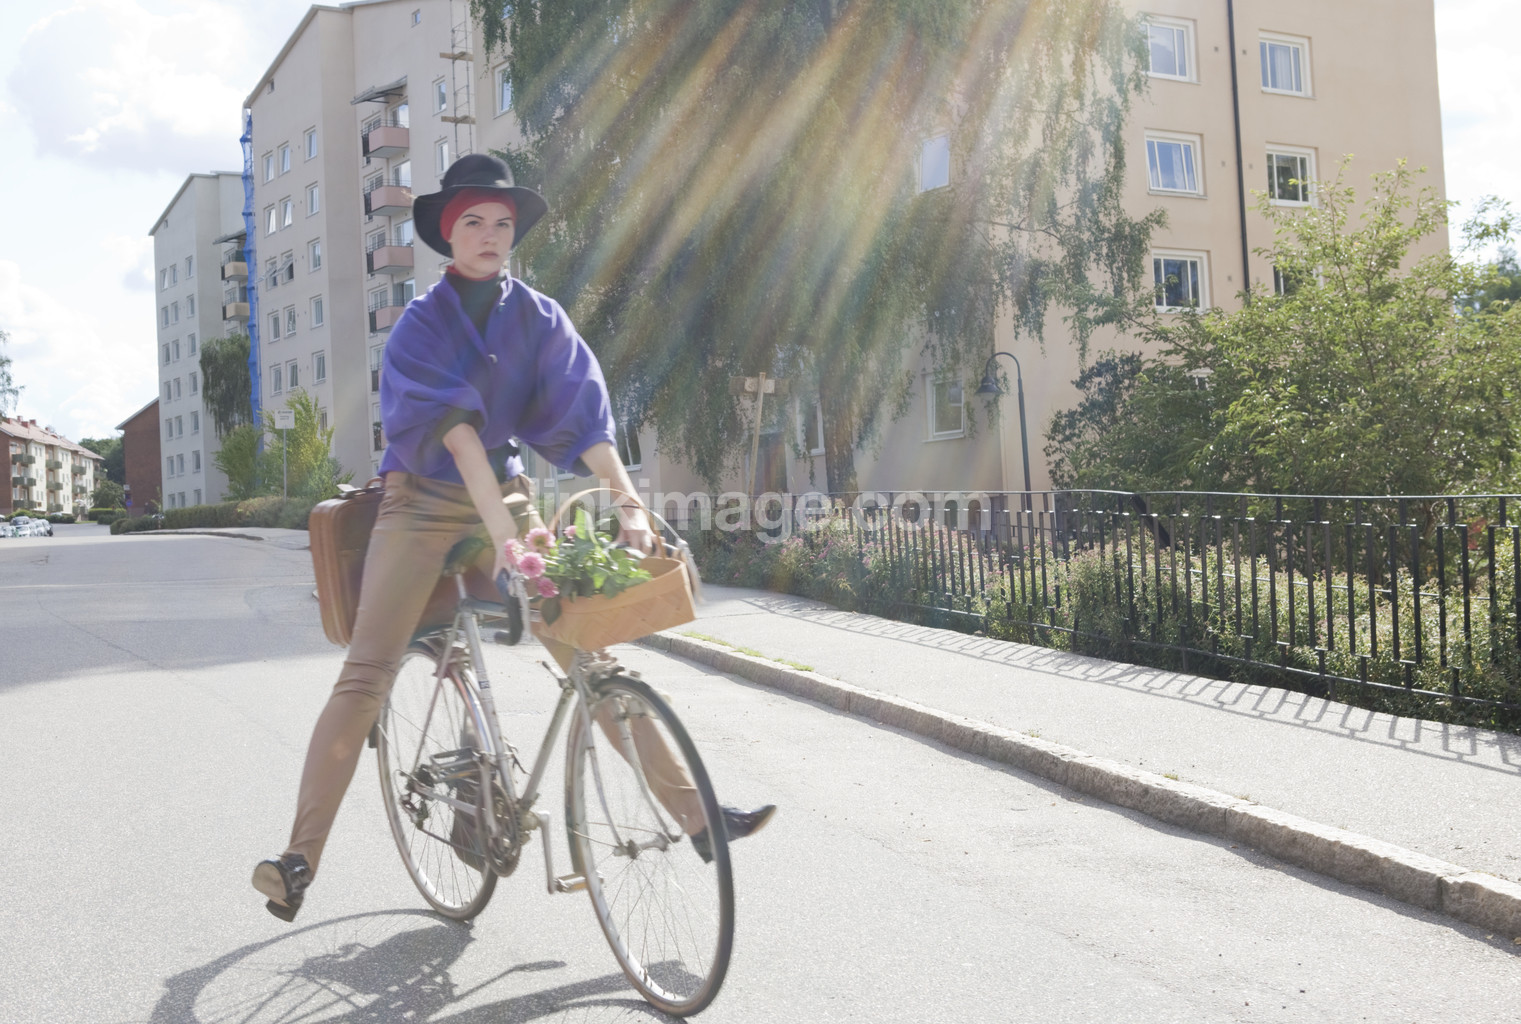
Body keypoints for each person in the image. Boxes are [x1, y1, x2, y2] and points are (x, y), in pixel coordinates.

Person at [253, 153, 773, 921]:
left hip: (505, 495)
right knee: (366, 674)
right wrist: (508, 542)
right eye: (473, 221)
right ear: (447, 232)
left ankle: (698, 817)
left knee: (587, 653)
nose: (490, 233)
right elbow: (461, 439)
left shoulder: (539, 317)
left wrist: (629, 507)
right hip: (421, 505)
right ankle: (299, 859)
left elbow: (586, 422)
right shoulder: (421, 326)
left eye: (502, 222)